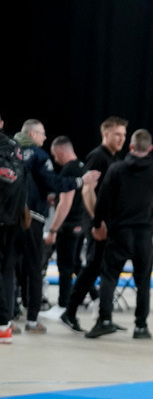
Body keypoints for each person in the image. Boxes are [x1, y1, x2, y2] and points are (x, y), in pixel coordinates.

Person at [12, 120, 98, 333]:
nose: (44, 138)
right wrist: (52, 229)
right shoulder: (50, 160)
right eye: (42, 134)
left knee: (8, 267)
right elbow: (62, 194)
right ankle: (39, 316)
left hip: (11, 217)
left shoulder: (11, 152)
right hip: (43, 220)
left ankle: (6, 318)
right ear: (32, 134)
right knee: (49, 267)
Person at [85, 129, 153, 340]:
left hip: (119, 231)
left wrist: (97, 224)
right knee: (143, 282)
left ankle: (104, 321)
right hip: (143, 234)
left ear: (130, 146)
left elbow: (102, 199)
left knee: (109, 277)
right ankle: (141, 326)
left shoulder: (116, 169)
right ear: (150, 148)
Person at [61, 117, 128, 333]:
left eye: (124, 134)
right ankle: (69, 312)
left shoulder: (114, 157)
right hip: (98, 223)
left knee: (106, 269)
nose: (122, 138)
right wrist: (96, 221)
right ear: (105, 134)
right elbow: (87, 189)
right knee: (92, 268)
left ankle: (104, 316)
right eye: (118, 134)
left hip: (109, 223)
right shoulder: (98, 156)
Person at [49, 136, 90, 312]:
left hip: (69, 224)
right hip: (81, 222)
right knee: (76, 265)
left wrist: (53, 229)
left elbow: (65, 203)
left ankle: (62, 305)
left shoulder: (68, 170)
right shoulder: (82, 167)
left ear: (59, 151)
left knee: (65, 266)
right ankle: (94, 297)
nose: (55, 159)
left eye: (54, 155)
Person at [0, 114, 28, 344]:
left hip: (6, 218)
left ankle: (3, 324)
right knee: (8, 272)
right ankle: (5, 324)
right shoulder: (15, 148)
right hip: (16, 218)